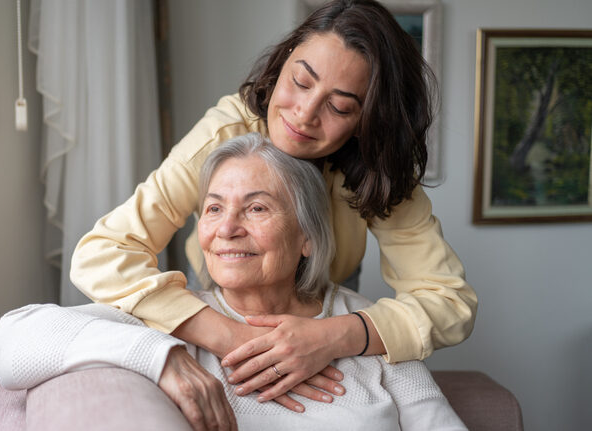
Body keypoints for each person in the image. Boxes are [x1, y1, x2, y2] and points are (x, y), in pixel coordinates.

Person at [70, 0, 477, 409]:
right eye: (301, 81)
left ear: (368, 120)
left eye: (339, 106)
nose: (303, 114)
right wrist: (227, 334)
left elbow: (450, 302)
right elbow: (101, 254)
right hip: (215, 302)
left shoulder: (380, 170)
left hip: (327, 308)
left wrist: (332, 336)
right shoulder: (224, 133)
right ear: (283, 62)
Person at [0, 134, 467, 430]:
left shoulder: (367, 329)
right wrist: (162, 357)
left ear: (307, 237)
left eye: (256, 208)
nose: (226, 228)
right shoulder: (172, 317)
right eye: (214, 208)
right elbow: (7, 338)